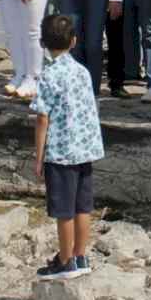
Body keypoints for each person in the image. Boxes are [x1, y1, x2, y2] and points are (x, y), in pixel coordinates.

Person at [32, 14, 105, 281]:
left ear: (43, 42)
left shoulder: (49, 75)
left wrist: (39, 156)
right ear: (74, 41)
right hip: (84, 148)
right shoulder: (82, 72)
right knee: (82, 207)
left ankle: (65, 262)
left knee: (63, 210)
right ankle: (80, 255)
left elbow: (42, 117)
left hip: (61, 152)